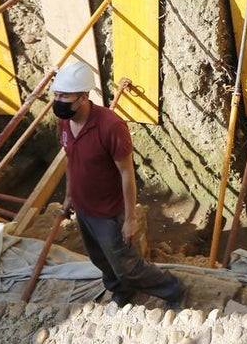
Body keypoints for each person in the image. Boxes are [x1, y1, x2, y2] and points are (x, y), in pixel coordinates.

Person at [53, 61, 186, 309]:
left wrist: (130, 218)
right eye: (56, 94)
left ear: (83, 96)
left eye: (64, 95)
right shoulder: (65, 121)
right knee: (100, 259)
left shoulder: (111, 126)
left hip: (108, 211)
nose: (57, 100)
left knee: (127, 266)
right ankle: (120, 289)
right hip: (83, 208)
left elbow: (126, 173)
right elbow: (72, 160)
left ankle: (173, 288)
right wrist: (70, 195)